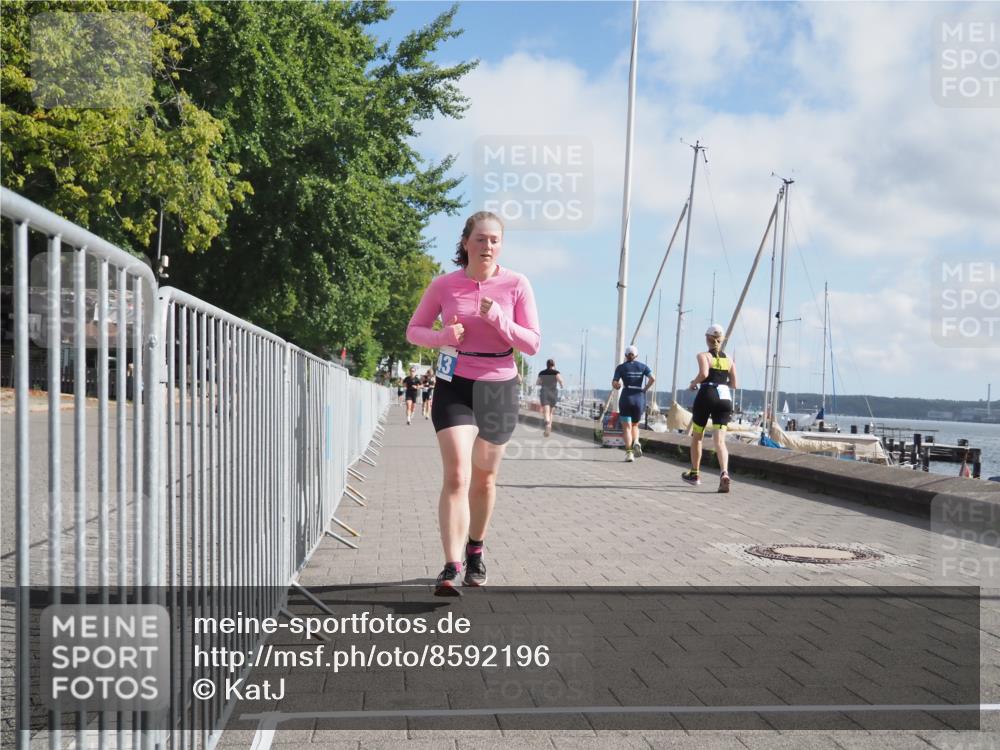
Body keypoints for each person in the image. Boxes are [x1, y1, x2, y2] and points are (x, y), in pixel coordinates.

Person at [407, 211, 540, 596]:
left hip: (498, 387)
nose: (488, 246)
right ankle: (451, 565)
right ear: (465, 243)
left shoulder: (517, 284)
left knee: (484, 478)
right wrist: (442, 335)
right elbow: (413, 330)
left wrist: (500, 319)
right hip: (454, 384)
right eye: (480, 239)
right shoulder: (444, 285)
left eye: (495, 240)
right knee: (457, 475)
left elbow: (532, 342)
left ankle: (475, 548)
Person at [682, 324, 737, 492]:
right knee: (720, 441)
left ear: (707, 338)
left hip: (707, 395)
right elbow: (735, 384)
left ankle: (695, 474)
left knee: (697, 436)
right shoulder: (729, 359)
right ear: (722, 340)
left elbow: (704, 374)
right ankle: (724, 473)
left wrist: (693, 383)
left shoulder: (703, 356)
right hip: (725, 397)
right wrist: (722, 383)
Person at [612, 345, 655, 462]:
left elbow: (615, 383)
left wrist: (617, 385)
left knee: (626, 427)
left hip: (626, 397)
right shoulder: (643, 366)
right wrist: (645, 389)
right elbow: (653, 378)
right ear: (637, 355)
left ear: (625, 356)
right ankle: (636, 441)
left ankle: (629, 453)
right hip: (638, 397)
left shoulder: (621, 367)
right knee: (635, 425)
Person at [536, 359, 564, 437]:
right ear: (553, 365)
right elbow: (561, 381)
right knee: (551, 412)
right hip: (553, 393)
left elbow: (537, 383)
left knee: (546, 412)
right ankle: (549, 427)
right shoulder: (556, 372)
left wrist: (542, 382)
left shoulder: (542, 373)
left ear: (547, 365)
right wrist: (561, 385)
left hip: (545, 392)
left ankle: (547, 424)